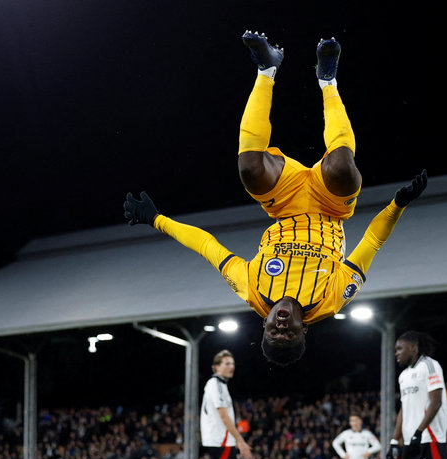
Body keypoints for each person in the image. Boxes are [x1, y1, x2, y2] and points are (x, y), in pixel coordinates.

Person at [123, 31, 428, 366]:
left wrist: (156, 220)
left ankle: (266, 69)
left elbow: (208, 247)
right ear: (304, 330)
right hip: (330, 207)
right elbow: (371, 242)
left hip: (284, 204)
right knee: (342, 167)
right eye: (289, 333)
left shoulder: (252, 289)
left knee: (249, 169)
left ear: (264, 324)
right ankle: (327, 81)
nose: (281, 327)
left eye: (273, 332)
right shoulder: (330, 300)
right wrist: (397, 206)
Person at [387, 331, 447, 459]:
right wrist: (394, 442)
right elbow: (405, 408)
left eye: (399, 349)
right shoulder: (403, 376)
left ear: (413, 348)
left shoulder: (429, 365)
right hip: (410, 441)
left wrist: (419, 432)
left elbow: (436, 401)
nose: (396, 353)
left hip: (429, 438)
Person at [200, 349, 253, 459]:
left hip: (223, 441)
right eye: (227, 363)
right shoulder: (216, 384)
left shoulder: (221, 385)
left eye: (233, 363)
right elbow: (224, 416)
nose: (231, 366)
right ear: (216, 367)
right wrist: (240, 441)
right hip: (220, 441)